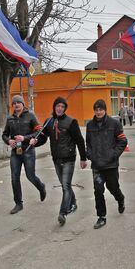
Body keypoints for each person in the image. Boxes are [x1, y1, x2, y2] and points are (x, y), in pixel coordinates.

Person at [40, 97, 87, 226]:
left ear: (65, 108)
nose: (59, 108)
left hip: (69, 158)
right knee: (64, 184)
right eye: (57, 106)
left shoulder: (71, 122)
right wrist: (33, 142)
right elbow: (42, 137)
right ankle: (73, 202)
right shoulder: (49, 121)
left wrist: (83, 158)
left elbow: (79, 140)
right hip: (56, 158)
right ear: (54, 107)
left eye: (62, 106)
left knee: (66, 186)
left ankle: (63, 213)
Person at [86, 99, 127, 229]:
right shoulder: (90, 125)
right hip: (97, 165)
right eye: (96, 110)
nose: (98, 112)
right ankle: (101, 217)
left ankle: (120, 199)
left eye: (101, 109)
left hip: (111, 164)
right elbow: (88, 143)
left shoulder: (114, 123)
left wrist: (113, 155)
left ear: (105, 110)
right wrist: (90, 155)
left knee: (113, 187)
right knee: (98, 191)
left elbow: (122, 141)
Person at [2, 95, 47, 214]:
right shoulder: (10, 119)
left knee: (30, 176)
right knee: (14, 177)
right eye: (14, 103)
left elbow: (39, 132)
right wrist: (9, 141)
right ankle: (18, 203)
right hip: (15, 152)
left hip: (28, 151)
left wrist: (25, 138)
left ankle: (41, 187)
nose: (16, 105)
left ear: (23, 104)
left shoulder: (30, 116)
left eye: (18, 102)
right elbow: (4, 134)